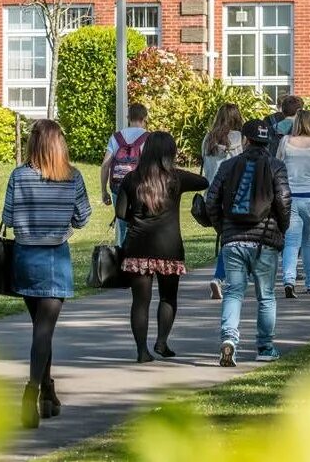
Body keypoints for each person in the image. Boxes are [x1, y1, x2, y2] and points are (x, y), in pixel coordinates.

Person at [2, 119, 91, 429]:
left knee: (42, 328)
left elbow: (8, 218)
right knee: (44, 330)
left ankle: (48, 392)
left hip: (25, 257)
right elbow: (82, 218)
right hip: (55, 256)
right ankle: (32, 393)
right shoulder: (72, 177)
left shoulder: (18, 176)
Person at [116, 132, 209, 363]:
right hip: (169, 248)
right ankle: (162, 341)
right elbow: (204, 182)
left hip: (138, 247)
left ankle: (141, 351)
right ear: (170, 153)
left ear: (145, 151)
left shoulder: (131, 179)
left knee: (140, 302)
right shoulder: (176, 178)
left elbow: (120, 213)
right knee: (168, 297)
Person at [205, 119, 291, 366]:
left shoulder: (229, 165)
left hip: (233, 238)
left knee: (233, 292)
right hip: (265, 239)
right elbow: (284, 202)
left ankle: (229, 339)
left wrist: (222, 227)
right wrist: (281, 230)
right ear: (268, 141)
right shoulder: (276, 166)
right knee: (266, 296)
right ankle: (265, 347)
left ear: (245, 140)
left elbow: (212, 200)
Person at [276, 109, 310, 297]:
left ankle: (289, 280)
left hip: (290, 197)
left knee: (291, 242)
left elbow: (278, 166)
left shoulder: (285, 141)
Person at [203, 104, 245, 300]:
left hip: (211, 195)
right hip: (233, 194)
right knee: (232, 239)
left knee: (226, 236)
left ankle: (228, 275)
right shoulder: (238, 137)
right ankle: (220, 276)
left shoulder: (208, 139)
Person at [100, 103, 149, 244]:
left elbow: (105, 165)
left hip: (118, 188)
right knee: (140, 225)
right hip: (141, 188)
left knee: (122, 225)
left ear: (128, 117)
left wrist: (104, 191)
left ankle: (123, 259)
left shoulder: (116, 138)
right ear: (145, 118)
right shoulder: (148, 138)